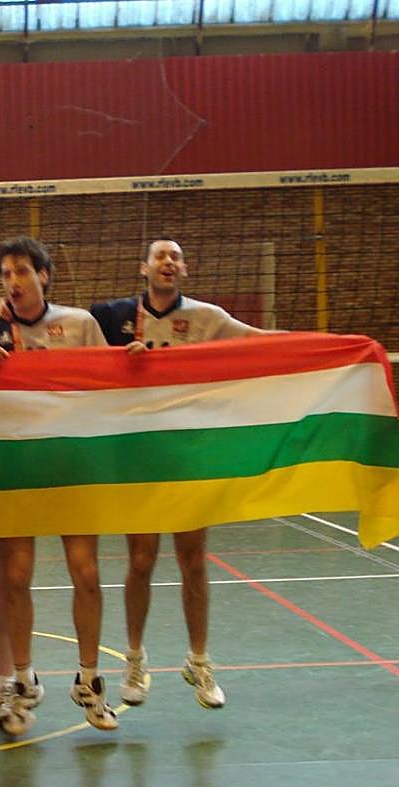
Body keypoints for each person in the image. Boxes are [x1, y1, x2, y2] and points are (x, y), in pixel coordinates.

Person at [89, 238, 273, 711]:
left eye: (175, 257)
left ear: (184, 270)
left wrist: (323, 347)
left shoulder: (208, 318)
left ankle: (199, 660)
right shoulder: (112, 317)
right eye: (159, 257)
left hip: (188, 456)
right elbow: (65, 338)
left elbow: (258, 341)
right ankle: (134, 659)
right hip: (139, 456)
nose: (168, 263)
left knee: (193, 559)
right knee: (142, 560)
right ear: (144, 268)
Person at [0, 236, 117, 736]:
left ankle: (88, 679)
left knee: (85, 573)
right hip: (20, 471)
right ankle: (22, 681)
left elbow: (113, 382)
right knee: (15, 578)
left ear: (43, 276)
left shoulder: (79, 324)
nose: (14, 281)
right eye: (6, 274)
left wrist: (137, 358)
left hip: (72, 468)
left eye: (22, 271)